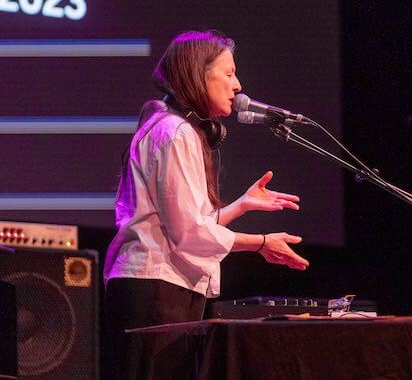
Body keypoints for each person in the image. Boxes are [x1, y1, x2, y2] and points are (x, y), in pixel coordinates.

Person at [103, 30, 309, 379]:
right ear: (199, 74)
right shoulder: (176, 132)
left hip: (158, 286)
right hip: (155, 287)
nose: (238, 85)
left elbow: (186, 221)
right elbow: (189, 233)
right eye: (228, 73)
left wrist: (240, 206)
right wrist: (260, 243)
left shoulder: (172, 129)